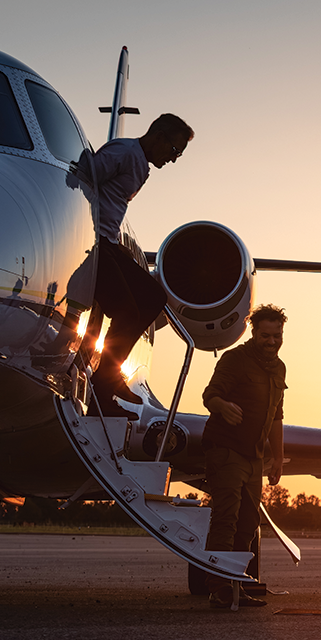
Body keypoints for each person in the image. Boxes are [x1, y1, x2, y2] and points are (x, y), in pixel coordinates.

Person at [84, 113, 194, 418]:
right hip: (93, 244)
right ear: (158, 136)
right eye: (173, 151)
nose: (172, 160)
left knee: (153, 297)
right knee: (127, 312)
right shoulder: (122, 153)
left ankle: (109, 377)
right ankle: (103, 391)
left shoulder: (140, 165)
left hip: (109, 242)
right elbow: (83, 177)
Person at [201, 305, 287, 609]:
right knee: (226, 518)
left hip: (253, 458)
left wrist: (278, 457)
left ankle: (237, 585)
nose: (272, 341)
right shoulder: (235, 359)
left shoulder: (279, 368)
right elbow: (210, 395)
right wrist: (222, 406)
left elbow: (277, 415)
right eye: (266, 335)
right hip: (226, 451)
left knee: (249, 523)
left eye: (277, 335)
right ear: (254, 333)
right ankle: (218, 587)